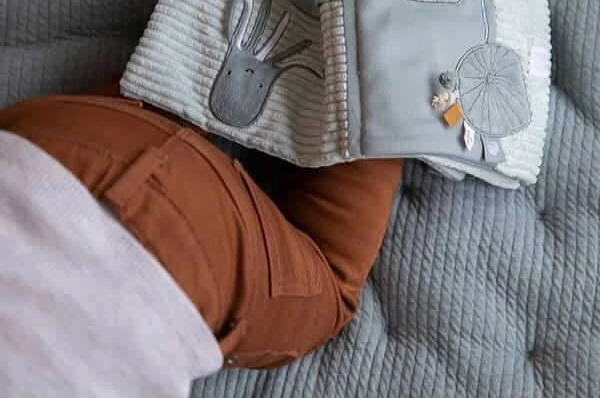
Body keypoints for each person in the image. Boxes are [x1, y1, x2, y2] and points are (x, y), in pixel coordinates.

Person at [0, 80, 403, 397]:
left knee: (329, 289)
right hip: (44, 142)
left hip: (179, 269)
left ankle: (394, 74)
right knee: (162, 78)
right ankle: (206, 26)